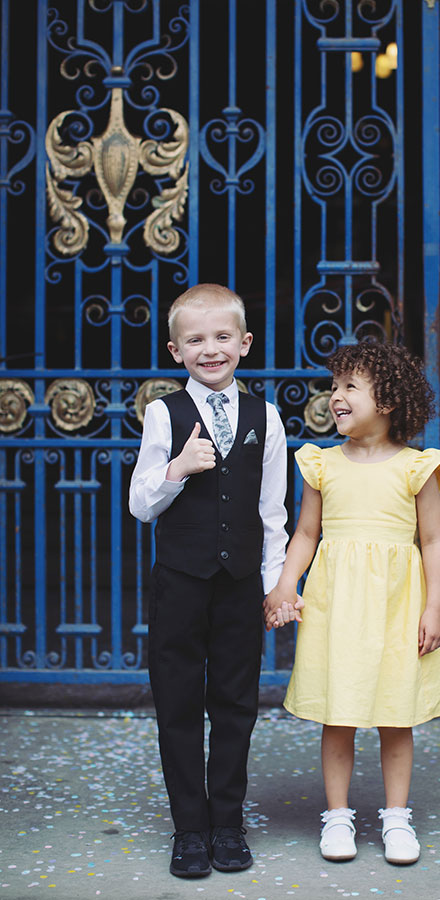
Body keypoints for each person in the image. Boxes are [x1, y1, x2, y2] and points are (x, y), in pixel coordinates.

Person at [264, 339, 440, 866]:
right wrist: (284, 584)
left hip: (396, 605)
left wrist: (433, 608)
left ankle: (396, 818)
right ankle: (338, 816)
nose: (335, 396)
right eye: (334, 386)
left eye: (350, 387)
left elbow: (433, 543)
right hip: (337, 606)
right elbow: (305, 533)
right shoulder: (322, 464)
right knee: (338, 712)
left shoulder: (418, 467)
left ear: (387, 400)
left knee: (396, 715)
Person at [129, 283, 288, 878]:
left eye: (222, 337)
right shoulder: (162, 414)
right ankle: (189, 829)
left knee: (234, 703)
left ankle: (227, 823)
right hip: (180, 583)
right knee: (177, 702)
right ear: (176, 351)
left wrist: (275, 585)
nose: (210, 349)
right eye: (195, 339)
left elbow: (272, 514)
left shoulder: (265, 417)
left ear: (244, 343)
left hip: (239, 583)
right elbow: (141, 504)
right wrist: (175, 470)